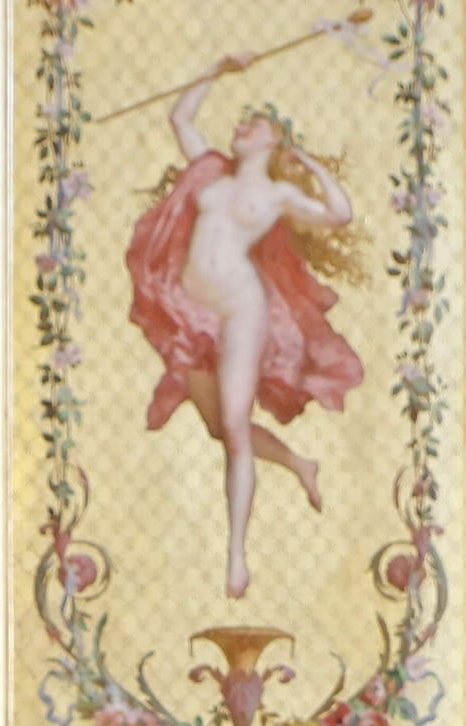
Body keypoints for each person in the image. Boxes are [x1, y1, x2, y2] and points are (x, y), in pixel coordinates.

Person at [125, 57, 361, 600]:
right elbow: (181, 119)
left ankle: (236, 557)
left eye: (253, 123)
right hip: (193, 313)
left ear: (273, 140)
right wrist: (211, 68)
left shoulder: (277, 196)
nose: (240, 127)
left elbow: (341, 213)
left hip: (239, 311)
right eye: (241, 122)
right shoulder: (210, 171)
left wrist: (308, 164)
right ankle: (301, 463)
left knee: (232, 428)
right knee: (220, 430)